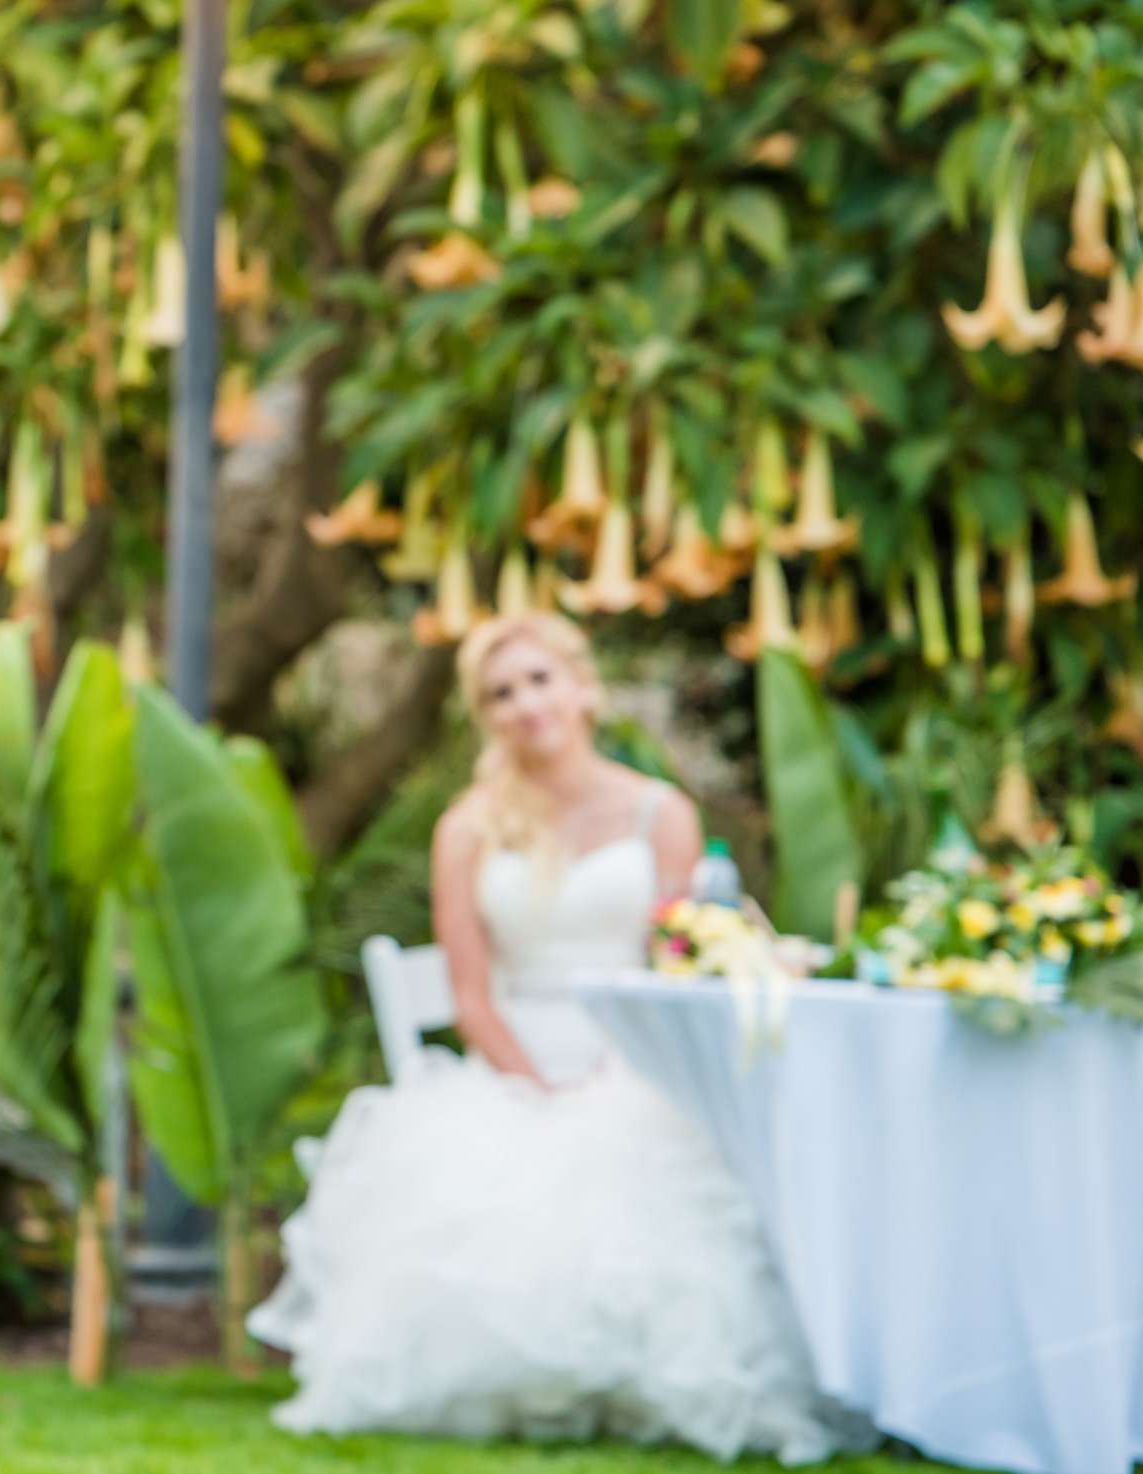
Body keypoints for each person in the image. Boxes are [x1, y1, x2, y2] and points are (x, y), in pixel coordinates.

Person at [246, 612, 871, 1465]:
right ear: (485, 716)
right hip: (513, 1059)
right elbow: (471, 995)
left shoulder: (662, 815)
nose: (524, 704)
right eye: (500, 693)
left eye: (539, 680)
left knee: (650, 1155)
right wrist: (538, 1084)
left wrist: (621, 1069)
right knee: (519, 1169)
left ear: (583, 688)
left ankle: (649, 1382)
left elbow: (674, 964)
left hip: (637, 1053)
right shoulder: (467, 828)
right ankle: (515, 1383)